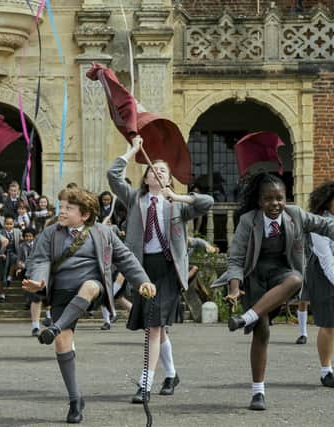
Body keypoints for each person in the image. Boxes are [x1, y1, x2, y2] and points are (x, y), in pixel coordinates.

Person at [23, 186, 155, 424]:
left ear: (84, 214)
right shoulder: (50, 233)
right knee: (63, 343)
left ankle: (54, 327)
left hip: (91, 286)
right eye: (60, 206)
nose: (61, 211)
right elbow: (40, 259)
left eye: (68, 208)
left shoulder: (103, 232)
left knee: (91, 287)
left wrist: (143, 281)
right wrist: (39, 280)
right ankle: (75, 400)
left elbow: (125, 258)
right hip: (61, 291)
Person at [107, 136, 214, 404]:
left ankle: (145, 385)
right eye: (153, 170)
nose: (157, 172)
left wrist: (177, 195)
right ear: (146, 179)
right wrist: (131, 150)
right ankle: (172, 375)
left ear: (168, 179)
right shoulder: (134, 199)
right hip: (143, 268)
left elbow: (207, 203)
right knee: (158, 327)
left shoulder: (176, 204)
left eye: (163, 170)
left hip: (168, 270)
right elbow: (113, 176)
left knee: (154, 327)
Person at [215, 173, 334, 410]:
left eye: (279, 198)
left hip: (282, 276)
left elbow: (324, 225)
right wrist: (235, 288)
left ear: (286, 198)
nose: (275, 204)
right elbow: (236, 259)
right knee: (262, 332)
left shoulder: (295, 215)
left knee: (296, 279)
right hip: (256, 279)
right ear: (259, 202)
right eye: (268, 199)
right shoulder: (249, 221)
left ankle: (246, 317)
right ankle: (257, 392)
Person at [303, 181, 334, 387]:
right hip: (323, 273)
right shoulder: (319, 222)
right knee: (329, 323)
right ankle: (326, 371)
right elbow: (326, 259)